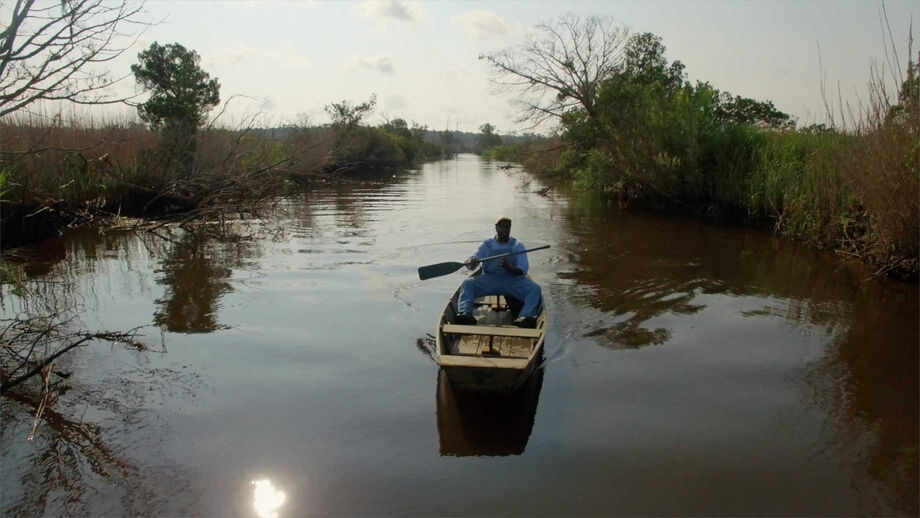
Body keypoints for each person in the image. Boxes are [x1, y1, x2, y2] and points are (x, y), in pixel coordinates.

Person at [454, 217, 542, 328]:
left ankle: (525, 316)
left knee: (535, 289)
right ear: (496, 228)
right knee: (467, 284)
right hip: (489, 279)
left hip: (511, 281)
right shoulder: (487, 245)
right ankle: (465, 313)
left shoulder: (517, 245)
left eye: (507, 227)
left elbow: (522, 271)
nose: (505, 230)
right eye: (502, 227)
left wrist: (508, 267)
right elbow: (472, 265)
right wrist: (472, 262)